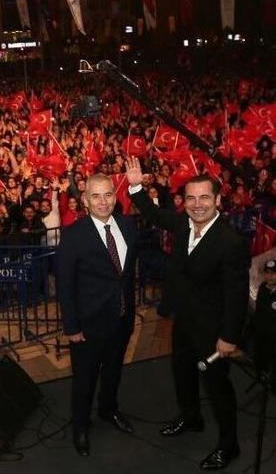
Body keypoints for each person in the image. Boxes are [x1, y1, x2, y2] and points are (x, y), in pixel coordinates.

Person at [126, 158, 249, 470]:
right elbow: (154, 214)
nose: (197, 205)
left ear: (218, 200)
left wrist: (229, 337)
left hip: (213, 330)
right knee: (182, 373)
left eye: (205, 197)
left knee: (218, 388)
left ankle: (229, 445)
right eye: (191, 198)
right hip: (182, 320)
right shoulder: (182, 224)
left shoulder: (230, 242)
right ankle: (191, 417)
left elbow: (235, 295)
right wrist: (137, 185)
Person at [57, 173, 138, 457]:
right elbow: (65, 285)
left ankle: (108, 410)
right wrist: (71, 326)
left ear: (115, 198)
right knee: (85, 379)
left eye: (108, 195)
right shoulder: (73, 235)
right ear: (85, 201)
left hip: (123, 319)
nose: (103, 202)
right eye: (96, 196)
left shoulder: (128, 226)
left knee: (114, 371)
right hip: (88, 326)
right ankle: (81, 426)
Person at [251, 260, 276, 393]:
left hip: (274, 337)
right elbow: (259, 311)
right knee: (260, 359)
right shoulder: (262, 288)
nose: (270, 276)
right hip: (261, 333)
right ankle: (261, 377)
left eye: (273, 274)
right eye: (267, 273)